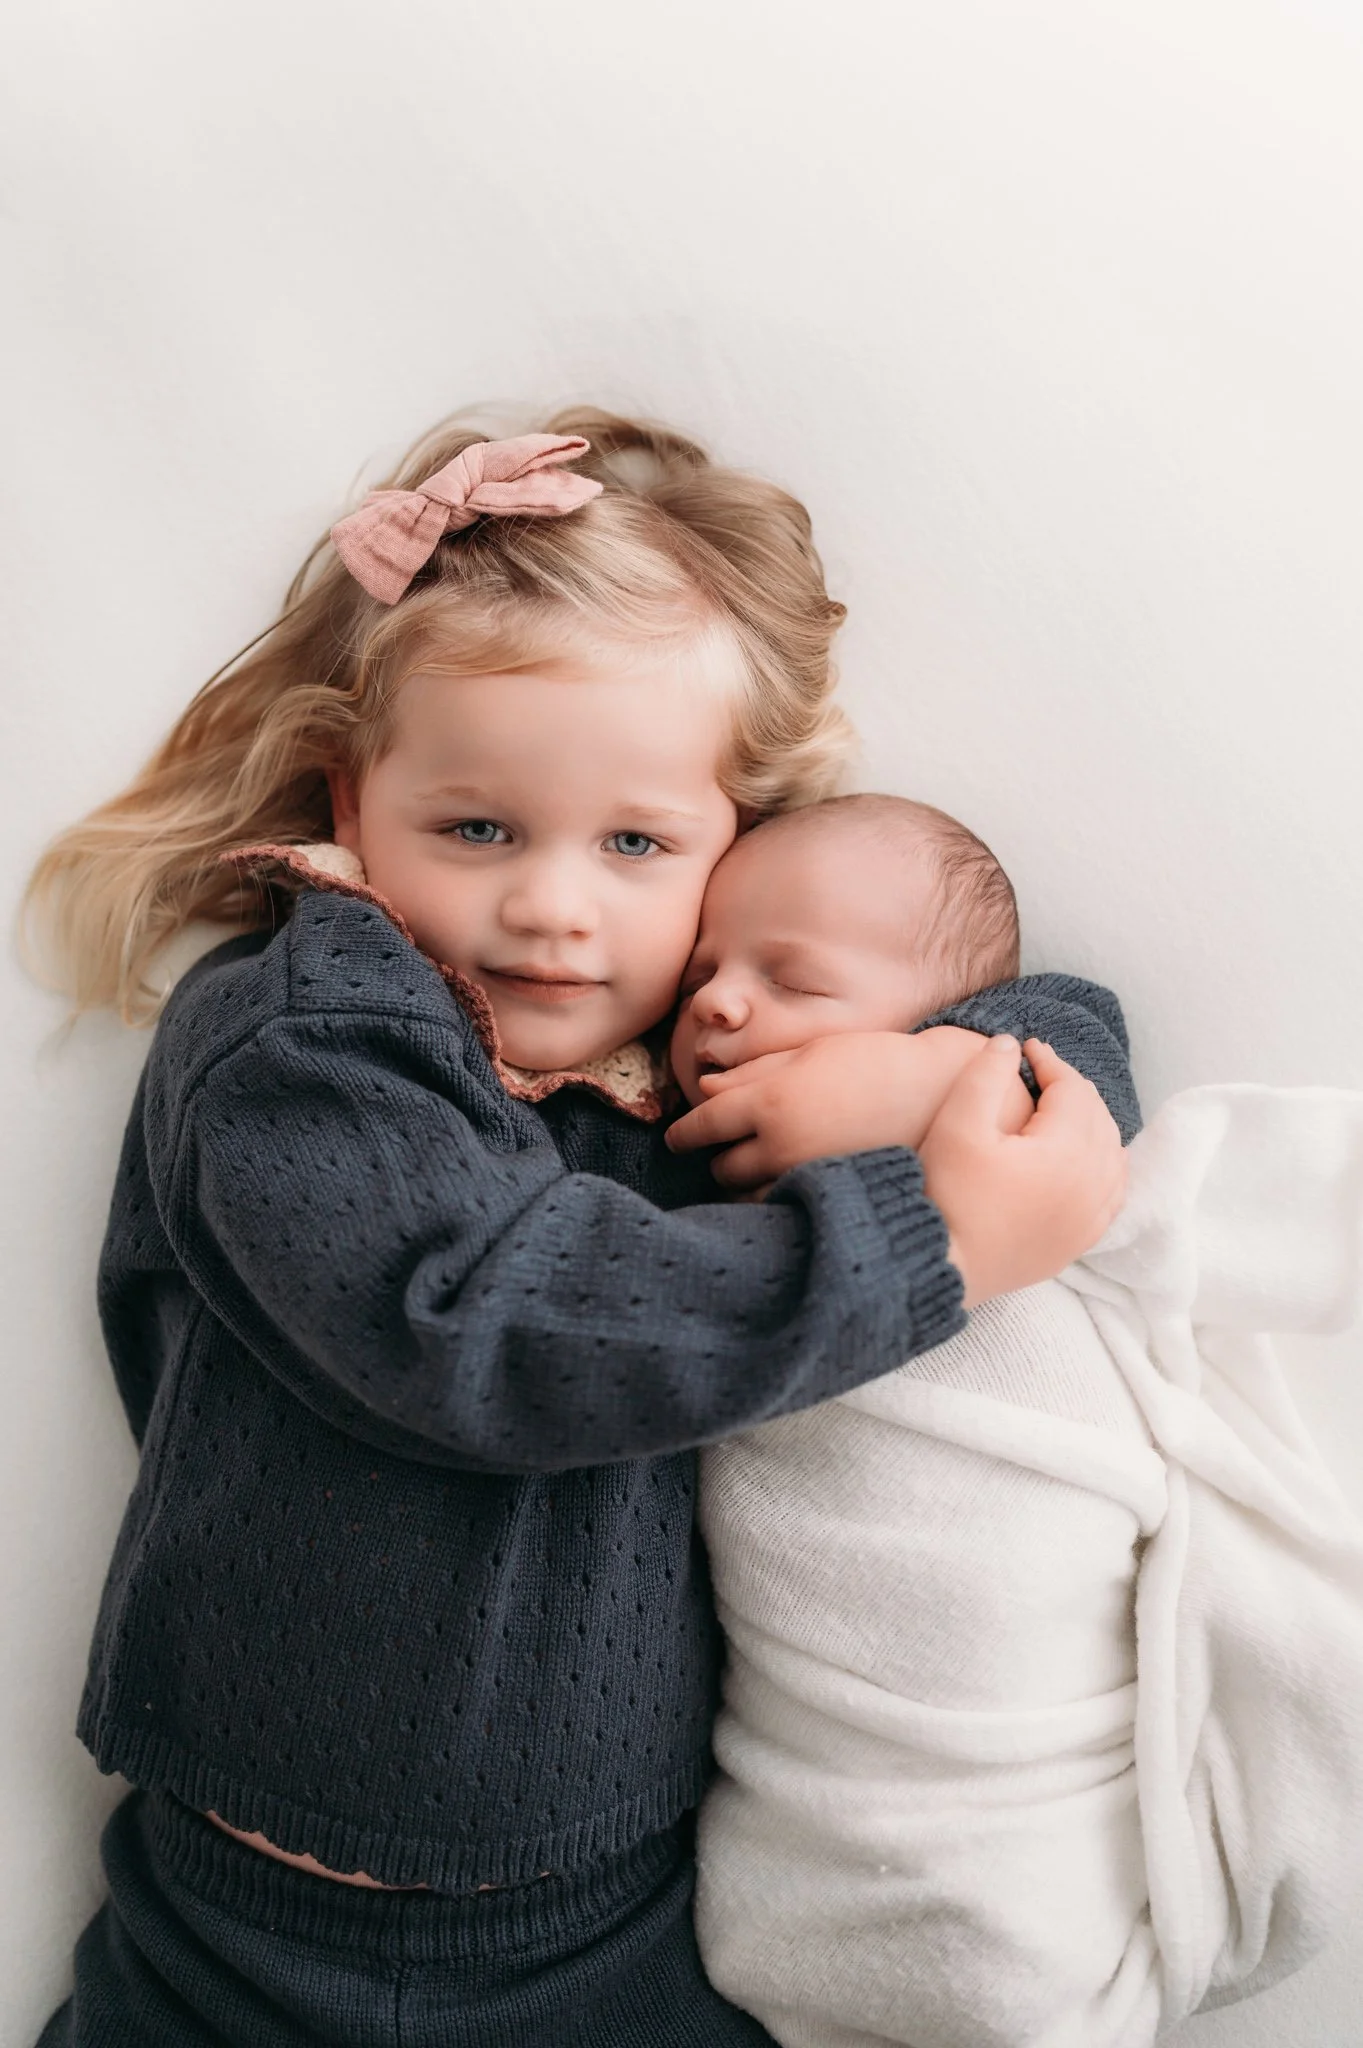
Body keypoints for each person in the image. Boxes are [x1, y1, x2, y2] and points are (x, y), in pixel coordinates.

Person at [24, 414, 1135, 2047]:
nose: (556, 904)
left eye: (634, 844)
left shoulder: (710, 1050)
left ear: (730, 849)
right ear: (356, 794)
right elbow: (484, 1328)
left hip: (604, 1917)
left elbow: (1056, 1030)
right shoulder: (295, 1035)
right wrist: (937, 1238)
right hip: (241, 1918)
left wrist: (920, 1066)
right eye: (478, 828)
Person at [669, 794, 1363, 2048]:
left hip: (1010, 1761)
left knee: (1013, 1938)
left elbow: (1084, 1042)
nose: (715, 1001)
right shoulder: (675, 1173)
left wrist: (929, 1081)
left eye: (789, 977)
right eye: (704, 969)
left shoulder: (1028, 1149)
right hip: (813, 1782)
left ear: (932, 1019)